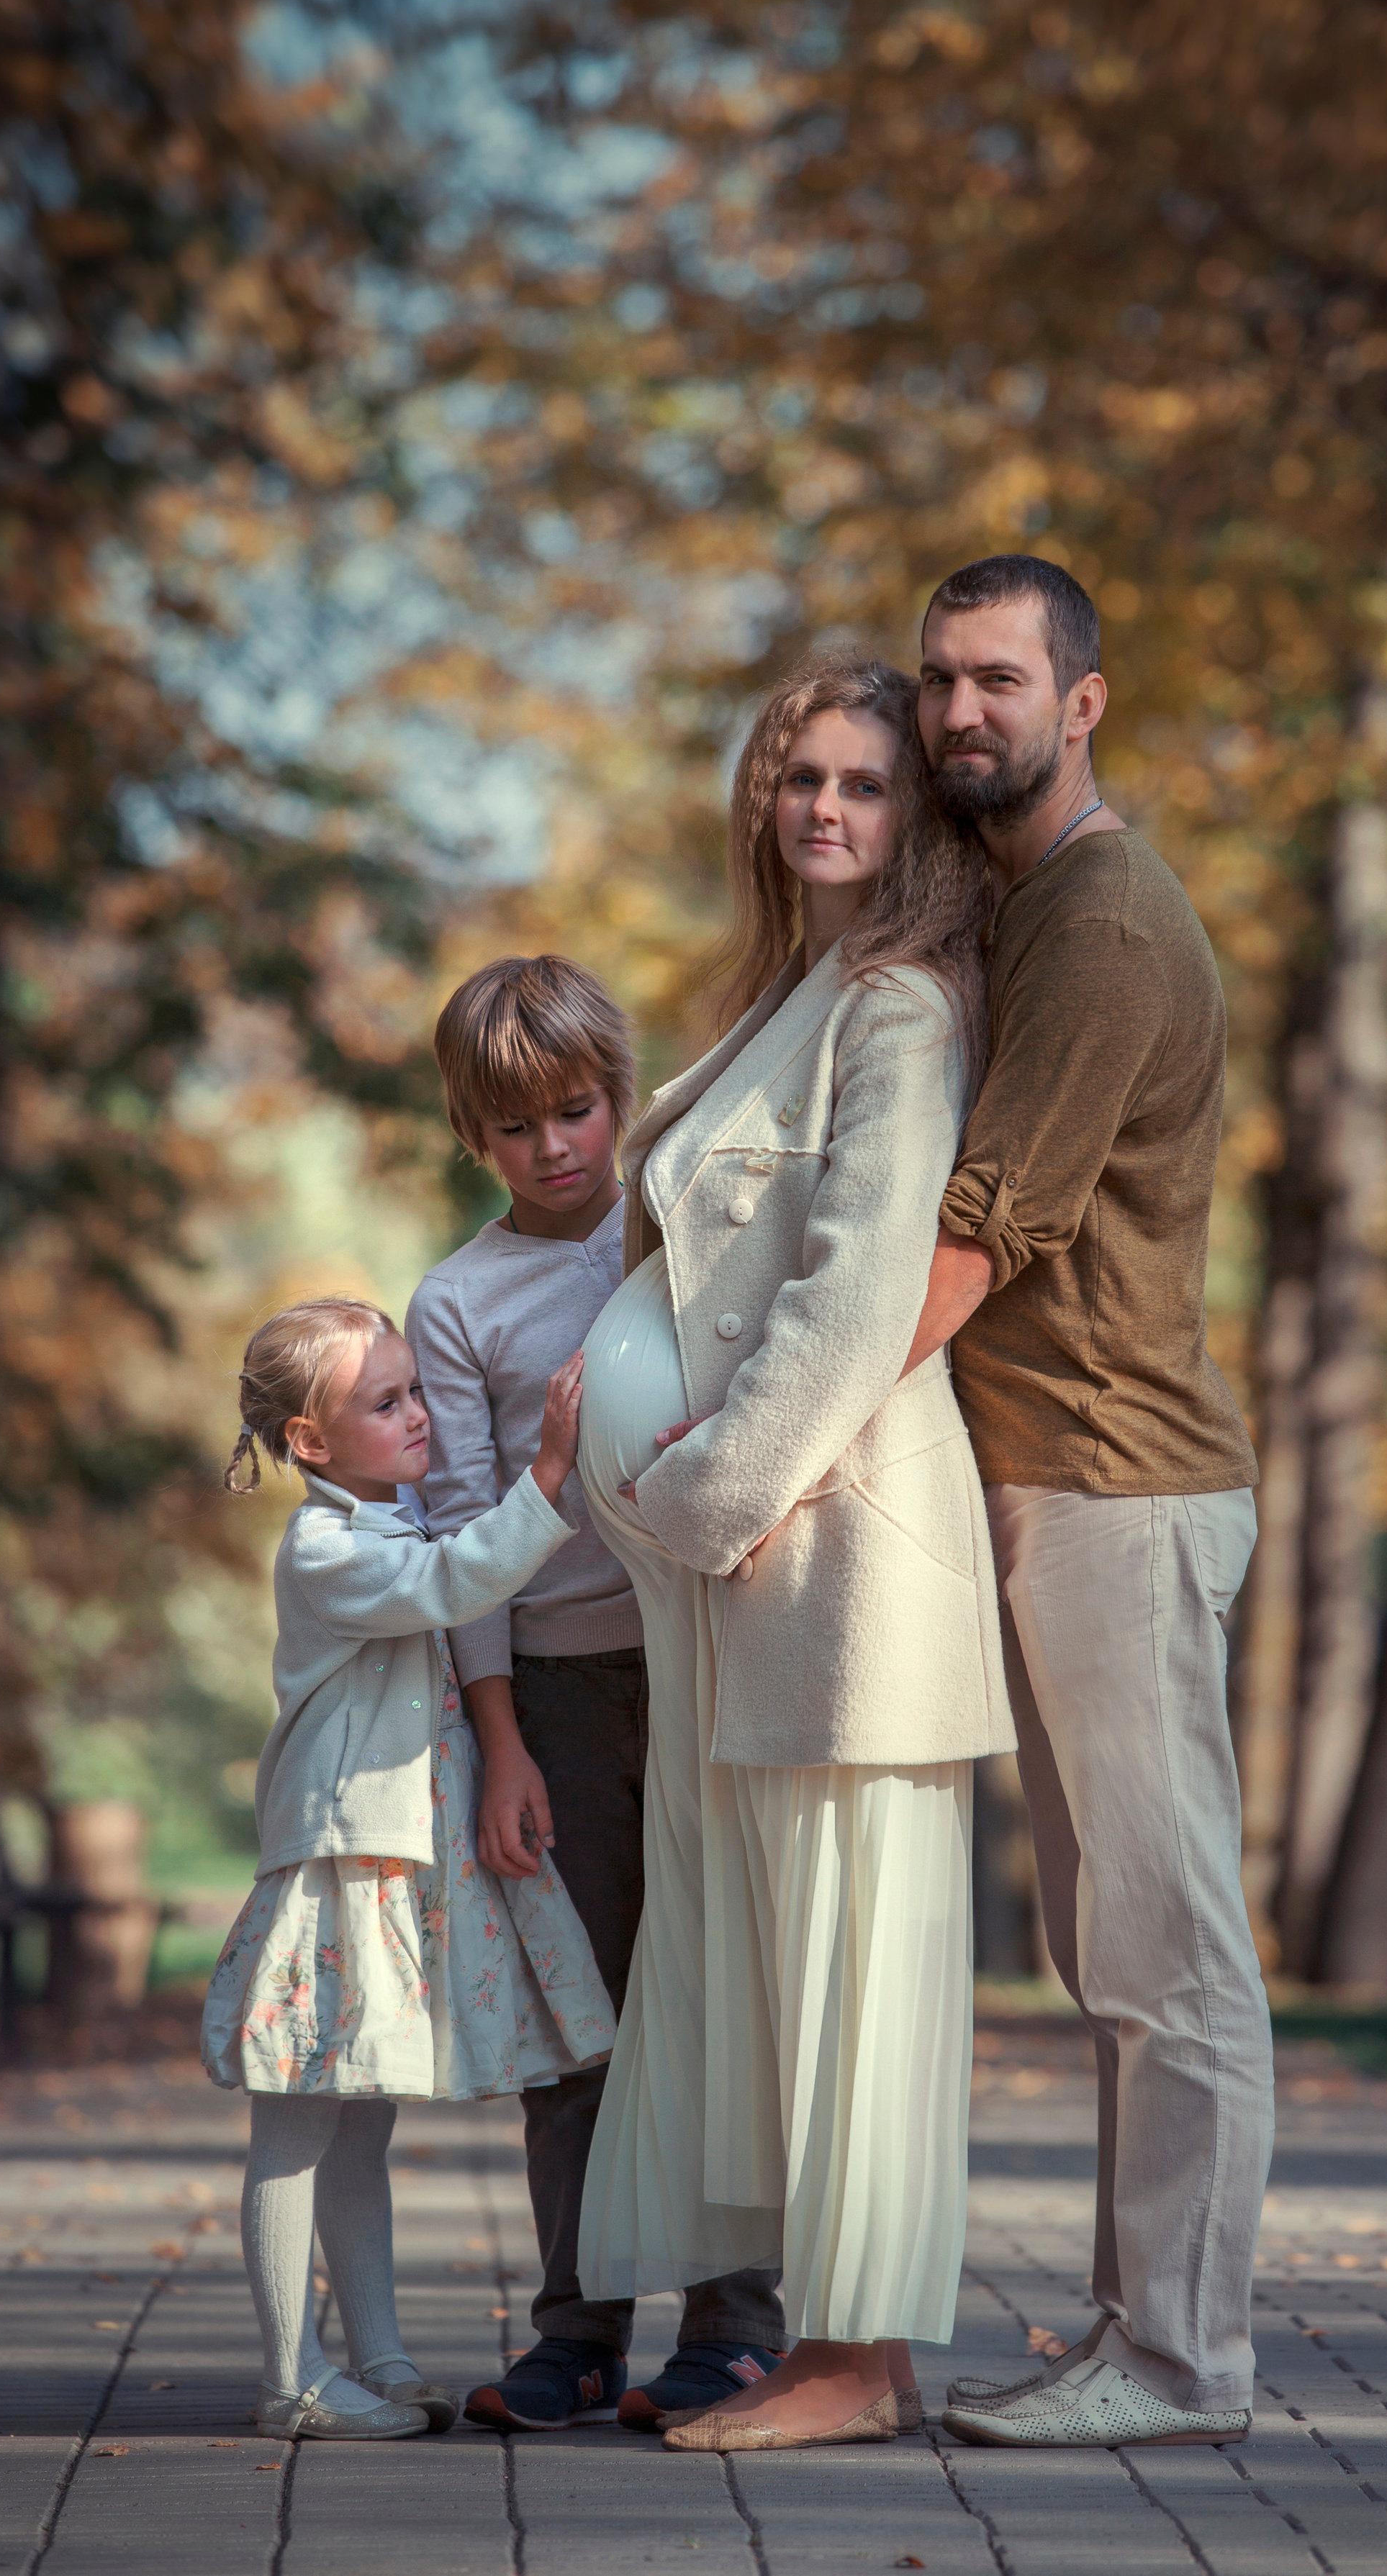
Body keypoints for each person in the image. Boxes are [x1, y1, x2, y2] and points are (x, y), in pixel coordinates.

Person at [573, 651, 1015, 2453]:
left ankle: (858, 2363)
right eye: (797, 779)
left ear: (913, 810)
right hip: (745, 1580)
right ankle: (814, 2348)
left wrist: (688, 1499)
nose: (824, 808)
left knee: (859, 1967)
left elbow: (851, 1304)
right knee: (776, 1971)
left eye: (861, 781)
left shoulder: (901, 1006)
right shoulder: (792, 989)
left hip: (832, 1559)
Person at [897, 554, 1268, 2452]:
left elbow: (979, 1243)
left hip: (1119, 1487)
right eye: (943, 680)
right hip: (1064, 1486)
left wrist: (775, 1433)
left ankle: (1185, 2364)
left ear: (1084, 699)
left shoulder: (1107, 917)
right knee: (1114, 1942)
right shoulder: (1032, 906)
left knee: (1164, 1945)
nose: (966, 711)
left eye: (1002, 680)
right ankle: (1147, 2336)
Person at [406, 956, 785, 2434]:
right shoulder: (459, 1300)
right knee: (581, 2028)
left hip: (703, 1662)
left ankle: (735, 2326)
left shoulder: (679, 1233)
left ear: (619, 1097)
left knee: (714, 2000)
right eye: (514, 1127)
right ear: (471, 1135)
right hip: (555, 1694)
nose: (553, 1146)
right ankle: (574, 2332)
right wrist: (497, 1742)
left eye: (573, 1110)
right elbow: (456, 1533)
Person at [202, 1297, 612, 2441]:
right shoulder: (329, 1548)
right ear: (310, 1443)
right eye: (385, 1401)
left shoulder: (397, 1515)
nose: (418, 1412)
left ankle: (374, 2352)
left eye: (416, 1389)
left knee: (359, 2121)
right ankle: (291, 2375)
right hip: (336, 1861)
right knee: (298, 2119)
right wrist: (548, 1476)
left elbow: (448, 1567)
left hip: (382, 1865)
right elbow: (452, 1586)